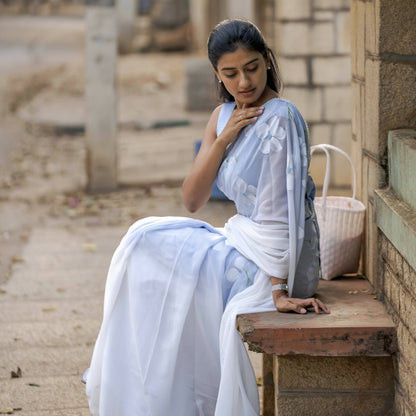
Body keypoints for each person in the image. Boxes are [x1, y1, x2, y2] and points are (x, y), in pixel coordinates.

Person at [85, 18, 329, 416]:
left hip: (276, 260)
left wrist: (279, 291)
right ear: (217, 74)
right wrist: (223, 138)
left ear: (267, 61)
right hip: (243, 240)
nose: (244, 82)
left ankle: (180, 399)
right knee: (141, 240)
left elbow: (281, 212)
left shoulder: (281, 118)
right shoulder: (222, 116)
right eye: (230, 74)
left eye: (251, 67)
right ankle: (151, 396)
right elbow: (192, 198)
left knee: (167, 265)